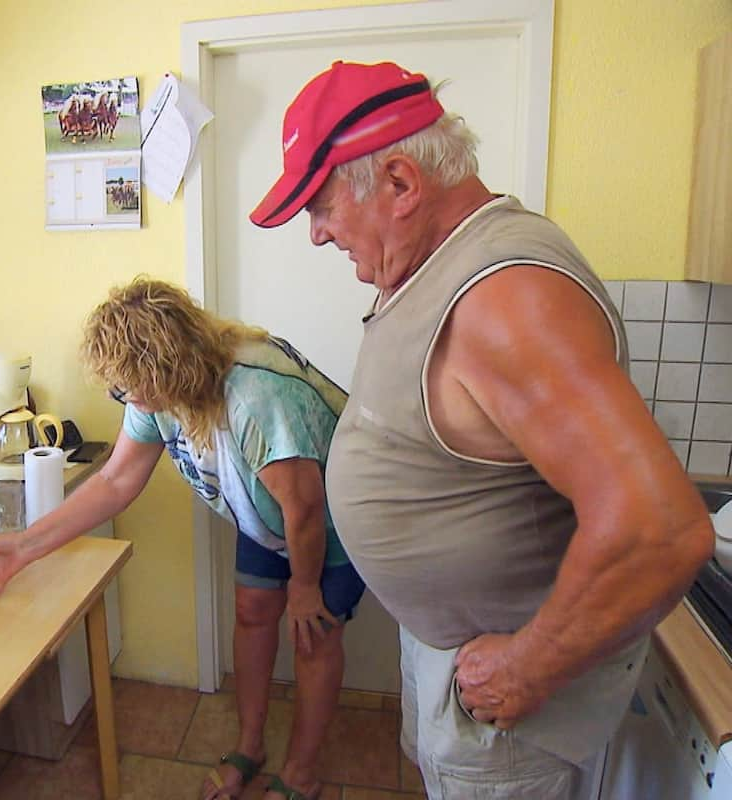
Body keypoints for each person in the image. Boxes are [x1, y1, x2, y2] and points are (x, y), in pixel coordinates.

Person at [250, 60, 714, 799]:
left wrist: (528, 666)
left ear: (401, 183)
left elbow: (659, 529)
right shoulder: (435, 263)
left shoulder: (506, 296)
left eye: (322, 205)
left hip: (507, 705)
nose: (316, 234)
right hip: (453, 661)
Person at [0, 277, 365, 800]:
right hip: (265, 515)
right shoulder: (157, 395)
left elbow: (304, 509)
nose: (124, 397)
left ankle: (303, 773)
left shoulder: (257, 399)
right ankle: (250, 747)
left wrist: (305, 588)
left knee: (313, 634)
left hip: (331, 518)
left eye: (127, 387)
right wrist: (23, 545)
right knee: (253, 612)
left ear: (166, 367)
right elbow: (115, 480)